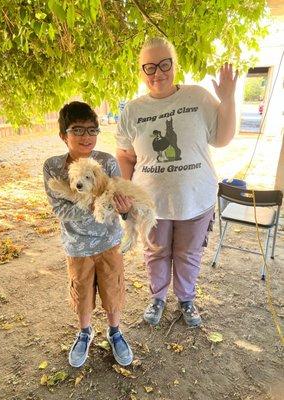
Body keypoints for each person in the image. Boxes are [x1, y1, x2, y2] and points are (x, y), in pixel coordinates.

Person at [116, 37, 238, 327]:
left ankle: (186, 299)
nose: (158, 72)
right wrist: (126, 190)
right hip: (150, 203)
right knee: (156, 251)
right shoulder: (132, 110)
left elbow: (222, 138)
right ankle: (157, 297)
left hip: (196, 198)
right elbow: (124, 154)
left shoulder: (197, 97)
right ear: (141, 72)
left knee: (188, 252)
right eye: (149, 67)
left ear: (174, 64)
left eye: (164, 64)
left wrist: (229, 98)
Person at [43, 101, 133, 367]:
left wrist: (125, 211)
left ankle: (115, 331)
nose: (87, 137)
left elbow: (118, 203)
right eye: (78, 130)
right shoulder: (53, 168)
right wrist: (96, 204)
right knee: (81, 293)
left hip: (109, 242)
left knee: (112, 289)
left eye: (92, 130)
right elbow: (61, 211)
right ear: (63, 135)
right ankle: (84, 333)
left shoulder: (106, 162)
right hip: (77, 245)